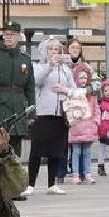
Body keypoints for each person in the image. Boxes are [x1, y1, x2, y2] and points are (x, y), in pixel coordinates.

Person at [0, 21, 34, 159]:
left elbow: (30, 88)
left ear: (18, 37)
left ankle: (15, 178)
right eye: (6, 34)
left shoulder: (25, 59)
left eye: (12, 34)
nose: (9, 37)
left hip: (18, 107)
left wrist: (32, 113)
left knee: (16, 150)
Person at [26, 38, 71, 196]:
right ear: (44, 51)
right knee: (37, 149)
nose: (54, 52)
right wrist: (50, 66)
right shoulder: (38, 66)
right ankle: (31, 183)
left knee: (57, 150)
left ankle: (52, 184)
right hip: (42, 114)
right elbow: (36, 81)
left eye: (57, 49)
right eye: (51, 49)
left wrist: (66, 90)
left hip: (60, 114)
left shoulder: (65, 69)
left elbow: (74, 88)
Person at [63, 78, 99, 185]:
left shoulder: (92, 98)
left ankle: (87, 173)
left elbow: (96, 110)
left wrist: (96, 122)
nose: (83, 80)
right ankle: (76, 174)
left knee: (87, 152)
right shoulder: (73, 97)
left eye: (85, 78)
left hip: (88, 127)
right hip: (76, 128)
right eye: (81, 77)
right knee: (76, 152)